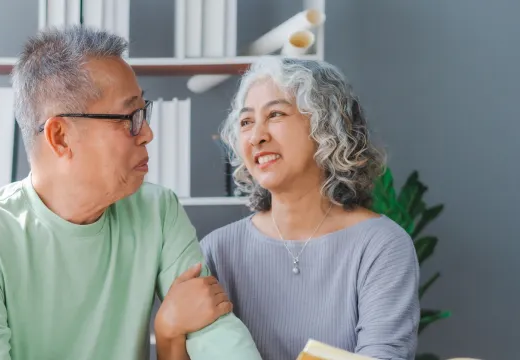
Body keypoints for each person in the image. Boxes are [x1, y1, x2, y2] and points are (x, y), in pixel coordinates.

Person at [0, 25, 263, 360]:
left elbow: (214, 331)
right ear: (61, 137)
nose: (147, 133)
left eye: (144, 112)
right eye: (129, 117)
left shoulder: (158, 210)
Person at [157, 57, 420, 360]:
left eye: (276, 114)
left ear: (326, 127)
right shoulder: (219, 250)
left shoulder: (381, 246)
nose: (257, 136)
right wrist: (168, 331)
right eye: (246, 122)